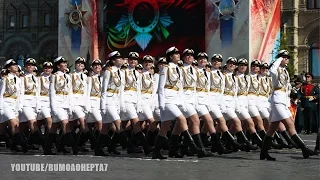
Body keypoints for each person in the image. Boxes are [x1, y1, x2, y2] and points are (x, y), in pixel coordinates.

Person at [260, 50, 318, 161]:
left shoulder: (285, 71)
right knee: (290, 124)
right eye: (283, 57)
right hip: (277, 100)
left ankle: (263, 153)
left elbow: (287, 88)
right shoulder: (275, 68)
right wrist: (279, 59)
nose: (286, 58)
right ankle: (304, 149)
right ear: (279, 58)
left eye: (287, 57)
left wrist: (289, 102)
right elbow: (271, 71)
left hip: (283, 100)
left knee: (272, 128)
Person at [152, 47, 205, 159]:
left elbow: (180, 87)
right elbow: (160, 87)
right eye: (175, 54)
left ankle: (157, 151)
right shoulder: (165, 68)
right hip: (167, 100)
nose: (178, 55)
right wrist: (161, 104)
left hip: (176, 100)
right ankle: (192, 145)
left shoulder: (178, 69)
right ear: (170, 56)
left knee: (164, 128)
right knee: (182, 119)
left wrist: (181, 102)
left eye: (178, 53)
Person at [96, 51, 129, 156]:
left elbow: (121, 91)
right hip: (108, 102)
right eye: (118, 58)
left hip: (115, 101)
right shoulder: (108, 71)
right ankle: (128, 145)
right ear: (113, 60)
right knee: (118, 123)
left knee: (105, 128)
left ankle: (100, 149)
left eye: (121, 58)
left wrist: (121, 105)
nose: (121, 60)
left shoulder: (120, 72)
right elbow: (103, 90)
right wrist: (102, 106)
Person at [45, 56, 78, 155]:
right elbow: (51, 93)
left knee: (54, 127)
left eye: (65, 62)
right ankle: (74, 146)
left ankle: (47, 148)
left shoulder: (68, 76)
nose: (65, 64)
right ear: (58, 66)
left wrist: (70, 106)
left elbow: (70, 92)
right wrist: (53, 108)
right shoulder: (54, 76)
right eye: (63, 63)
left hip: (65, 104)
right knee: (65, 123)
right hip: (58, 104)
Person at [0, 59, 29, 152]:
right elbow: (1, 94)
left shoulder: (19, 80)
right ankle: (24, 144)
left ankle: (13, 144)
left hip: (15, 104)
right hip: (6, 103)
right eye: (13, 65)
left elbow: (21, 94)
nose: (16, 66)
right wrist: (0, 107)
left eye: (16, 64)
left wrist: (19, 106)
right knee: (14, 123)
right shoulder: (5, 78)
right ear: (8, 68)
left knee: (2, 127)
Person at [19, 58, 45, 149]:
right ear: (25, 66)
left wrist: (38, 105)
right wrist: (20, 105)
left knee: (22, 125)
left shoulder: (36, 78)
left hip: (33, 102)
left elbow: (37, 92)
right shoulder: (22, 77)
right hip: (25, 102)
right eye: (28, 65)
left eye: (32, 65)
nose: (30, 66)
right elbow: (21, 92)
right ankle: (45, 144)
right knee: (32, 123)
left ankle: (14, 143)